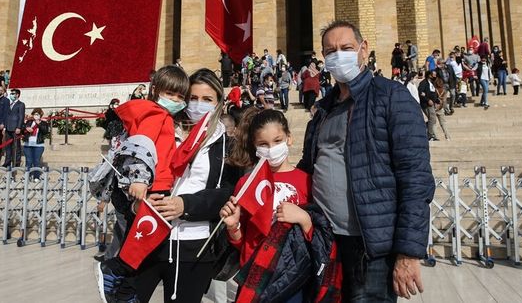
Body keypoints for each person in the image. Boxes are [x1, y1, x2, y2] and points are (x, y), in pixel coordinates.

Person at [298, 20, 435, 301]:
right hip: (327, 242)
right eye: (330, 51)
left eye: (346, 48)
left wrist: (409, 253)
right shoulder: (323, 109)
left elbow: (415, 178)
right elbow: (307, 167)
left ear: (363, 50)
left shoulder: (391, 97)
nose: (338, 55)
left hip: (371, 247)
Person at [132, 69, 243, 303]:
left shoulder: (227, 145)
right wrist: (135, 204)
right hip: (149, 237)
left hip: (195, 247)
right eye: (193, 98)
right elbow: (124, 177)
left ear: (219, 103)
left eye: (207, 99)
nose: (198, 105)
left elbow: (226, 193)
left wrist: (185, 204)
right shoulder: (159, 130)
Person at [91, 65, 190, 302]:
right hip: (153, 185)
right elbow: (140, 145)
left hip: (158, 183)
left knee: (145, 239)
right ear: (155, 90)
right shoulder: (156, 114)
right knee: (145, 241)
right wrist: (139, 179)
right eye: (170, 94)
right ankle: (114, 271)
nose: (175, 100)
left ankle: (123, 287)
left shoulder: (159, 114)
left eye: (179, 96)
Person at [221, 108, 339, 301]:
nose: (271, 148)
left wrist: (304, 218)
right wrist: (233, 226)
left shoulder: (308, 181)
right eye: (263, 144)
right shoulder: (246, 184)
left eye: (277, 141)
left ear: (289, 138)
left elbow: (320, 237)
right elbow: (242, 242)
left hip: (292, 278)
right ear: (255, 146)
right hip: (256, 276)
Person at [419, 70, 449, 141]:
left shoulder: (431, 83)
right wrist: (427, 100)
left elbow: (433, 93)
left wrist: (437, 101)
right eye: (434, 75)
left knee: (432, 119)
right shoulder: (424, 83)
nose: (435, 76)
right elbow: (421, 92)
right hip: (426, 104)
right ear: (429, 75)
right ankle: (430, 135)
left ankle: (428, 131)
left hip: (432, 104)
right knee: (432, 119)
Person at [23, 108, 49, 181]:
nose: (36, 116)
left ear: (40, 115)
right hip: (28, 144)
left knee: (36, 161)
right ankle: (27, 176)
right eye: (34, 114)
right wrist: (26, 128)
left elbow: (45, 131)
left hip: (38, 145)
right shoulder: (29, 122)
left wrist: (39, 124)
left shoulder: (44, 123)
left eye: (37, 114)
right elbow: (22, 128)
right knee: (28, 161)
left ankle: (36, 176)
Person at [2, 89, 26, 168]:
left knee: (16, 146)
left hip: (15, 128)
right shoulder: (9, 104)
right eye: (11, 93)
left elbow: (21, 116)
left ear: (17, 95)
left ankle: (16, 162)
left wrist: (19, 127)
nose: (11, 95)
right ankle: (7, 162)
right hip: (8, 127)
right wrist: (5, 127)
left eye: (13, 93)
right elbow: (6, 116)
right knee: (7, 146)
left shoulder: (21, 104)